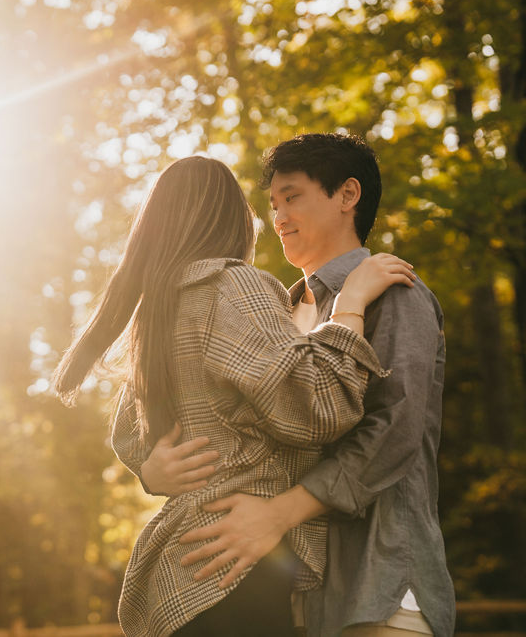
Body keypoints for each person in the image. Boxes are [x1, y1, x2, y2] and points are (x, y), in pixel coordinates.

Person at [51, 155, 416, 637]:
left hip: (184, 571)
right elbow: (320, 410)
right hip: (235, 566)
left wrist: (149, 467)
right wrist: (349, 305)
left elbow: (130, 435)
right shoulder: (231, 285)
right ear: (230, 216)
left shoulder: (158, 309)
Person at [164, 134, 457, 636]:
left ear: (347, 195)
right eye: (272, 203)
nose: (277, 215)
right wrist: (157, 464)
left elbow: (396, 433)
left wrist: (279, 514)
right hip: (294, 598)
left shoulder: (394, 293)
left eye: (292, 196)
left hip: (380, 590)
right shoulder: (272, 312)